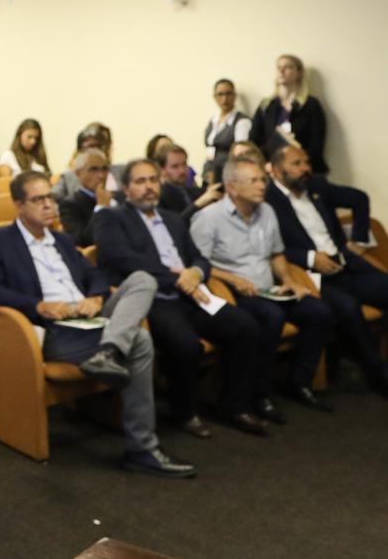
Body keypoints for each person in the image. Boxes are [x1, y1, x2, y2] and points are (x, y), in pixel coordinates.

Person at [0, 172, 195, 477]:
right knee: (141, 340)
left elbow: (94, 275)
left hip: (90, 318)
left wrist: (95, 297)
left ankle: (108, 351)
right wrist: (37, 305)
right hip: (55, 329)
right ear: (19, 205)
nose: (48, 205)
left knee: (143, 279)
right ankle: (142, 448)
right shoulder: (0, 241)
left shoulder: (62, 241)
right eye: (38, 200)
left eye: (51, 197)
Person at [95, 159, 266, 437]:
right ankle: (184, 412)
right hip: (154, 300)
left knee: (245, 327)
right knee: (186, 345)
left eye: (153, 180)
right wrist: (177, 278)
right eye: (140, 181)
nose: (149, 187)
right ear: (126, 189)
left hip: (193, 295)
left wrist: (196, 273)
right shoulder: (111, 218)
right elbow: (122, 259)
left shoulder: (173, 219)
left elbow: (199, 257)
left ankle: (236, 407)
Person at [190, 157, 336, 418]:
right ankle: (259, 393)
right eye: (254, 180)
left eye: (263, 180)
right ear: (232, 188)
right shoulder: (209, 218)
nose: (262, 186)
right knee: (271, 316)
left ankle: (299, 382)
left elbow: (276, 254)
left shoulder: (267, 211)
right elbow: (198, 265)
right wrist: (233, 279)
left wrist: (289, 280)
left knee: (319, 312)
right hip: (234, 292)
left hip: (270, 289)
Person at [265, 145, 388, 397]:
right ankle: (378, 374)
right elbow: (269, 247)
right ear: (276, 171)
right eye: (296, 164)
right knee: (348, 307)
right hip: (311, 275)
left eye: (306, 162)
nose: (305, 169)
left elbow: (359, 198)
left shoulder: (317, 186)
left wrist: (358, 240)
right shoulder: (268, 201)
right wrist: (310, 257)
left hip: (346, 265)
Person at [251, 54, 329, 174]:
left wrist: (297, 164)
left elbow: (316, 145)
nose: (282, 71)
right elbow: (253, 140)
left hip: (304, 171)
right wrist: (266, 164)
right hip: (271, 169)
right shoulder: (266, 105)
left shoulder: (311, 105)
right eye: (279, 67)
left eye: (288, 67)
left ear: (299, 73)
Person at [56, 148, 114, 247]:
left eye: (105, 169)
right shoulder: (70, 205)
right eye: (93, 169)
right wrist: (101, 208)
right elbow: (82, 242)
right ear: (78, 173)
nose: (101, 175)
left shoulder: (119, 197)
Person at [203, 77, 251, 182]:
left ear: (234, 96)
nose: (224, 99)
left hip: (228, 175)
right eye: (220, 94)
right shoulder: (213, 120)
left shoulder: (242, 122)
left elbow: (240, 154)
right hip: (209, 172)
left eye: (228, 94)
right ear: (214, 97)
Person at [156, 144, 222, 221]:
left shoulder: (191, 191)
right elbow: (173, 225)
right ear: (162, 170)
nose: (182, 171)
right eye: (175, 166)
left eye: (184, 164)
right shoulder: (159, 196)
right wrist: (197, 205)